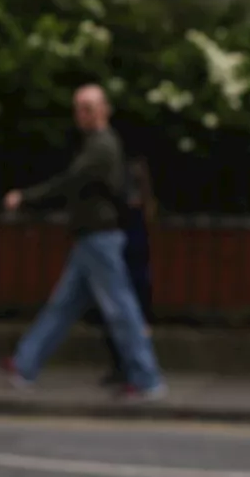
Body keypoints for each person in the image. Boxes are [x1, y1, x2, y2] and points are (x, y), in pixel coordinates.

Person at [0, 84, 167, 400]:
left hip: (100, 238)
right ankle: (24, 364)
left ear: (105, 109)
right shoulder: (95, 144)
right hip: (90, 237)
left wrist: (25, 197)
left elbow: (68, 183)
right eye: (79, 108)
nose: (83, 114)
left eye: (89, 107)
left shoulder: (102, 147)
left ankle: (147, 378)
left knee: (120, 309)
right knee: (63, 306)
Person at [97, 153, 156, 388]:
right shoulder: (139, 211)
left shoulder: (128, 212)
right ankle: (129, 369)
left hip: (126, 266)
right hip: (132, 267)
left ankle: (131, 370)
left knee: (124, 316)